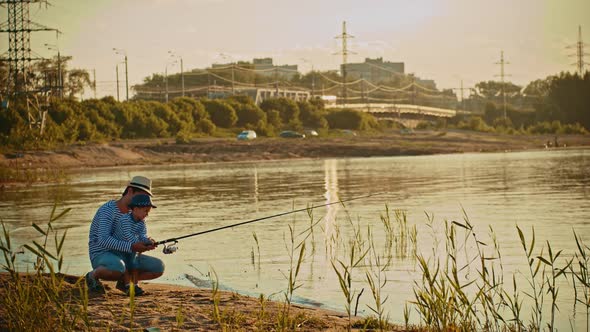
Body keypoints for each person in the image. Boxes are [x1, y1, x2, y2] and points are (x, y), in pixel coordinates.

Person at [85, 176, 163, 293]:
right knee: (118, 267)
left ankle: (124, 283)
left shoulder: (137, 212)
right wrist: (132, 247)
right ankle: (92, 275)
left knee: (158, 267)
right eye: (141, 196)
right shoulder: (108, 210)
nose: (143, 200)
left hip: (127, 254)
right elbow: (103, 240)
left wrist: (147, 242)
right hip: (102, 253)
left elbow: (139, 234)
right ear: (130, 191)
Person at [111, 194, 163, 296]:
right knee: (125, 268)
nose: (147, 214)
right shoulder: (124, 220)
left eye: (148, 212)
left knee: (134, 266)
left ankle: (134, 285)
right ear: (135, 209)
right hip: (119, 249)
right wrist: (142, 244)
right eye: (145, 211)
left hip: (132, 249)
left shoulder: (141, 222)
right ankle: (127, 286)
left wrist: (149, 241)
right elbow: (128, 236)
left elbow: (142, 235)